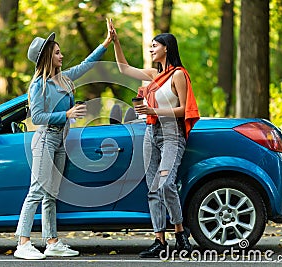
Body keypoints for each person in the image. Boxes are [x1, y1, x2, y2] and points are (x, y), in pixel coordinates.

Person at [14, 30, 113, 260]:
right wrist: (66, 113)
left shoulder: (64, 78)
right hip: (45, 139)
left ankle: (51, 242)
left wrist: (106, 42)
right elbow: (37, 117)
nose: (61, 55)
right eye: (57, 52)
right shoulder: (38, 85)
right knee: (37, 190)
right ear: (47, 56)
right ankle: (23, 242)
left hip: (59, 140)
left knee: (51, 193)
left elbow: (86, 65)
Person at [108, 19, 199, 258]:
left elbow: (184, 110)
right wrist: (116, 41)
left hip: (172, 134)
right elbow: (124, 70)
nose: (150, 49)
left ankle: (180, 233)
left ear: (166, 48)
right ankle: (159, 240)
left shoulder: (178, 75)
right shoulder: (151, 75)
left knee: (166, 184)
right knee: (152, 189)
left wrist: (154, 111)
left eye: (154, 45)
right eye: (149, 46)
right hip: (151, 133)